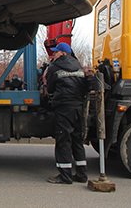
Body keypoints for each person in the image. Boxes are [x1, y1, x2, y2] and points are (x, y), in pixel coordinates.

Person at [45, 42, 88, 184]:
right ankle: (81, 175)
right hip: (78, 107)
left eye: (56, 52)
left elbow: (50, 88)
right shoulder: (79, 66)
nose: (54, 54)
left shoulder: (54, 67)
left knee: (63, 140)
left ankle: (65, 176)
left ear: (63, 53)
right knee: (77, 139)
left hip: (64, 108)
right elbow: (84, 88)